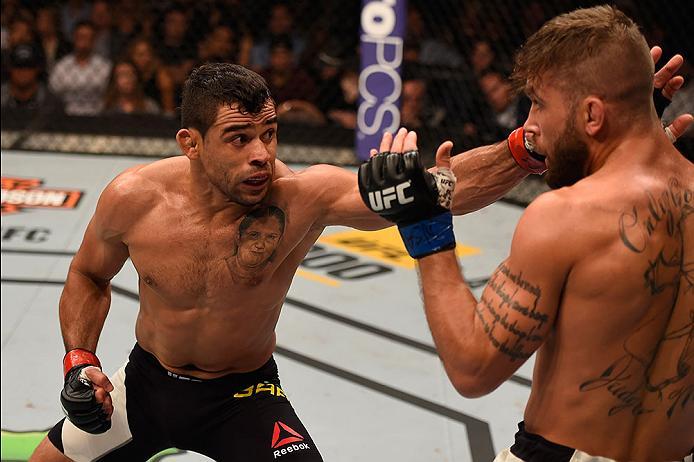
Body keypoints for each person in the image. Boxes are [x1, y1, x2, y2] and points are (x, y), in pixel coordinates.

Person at [29, 48, 689, 461]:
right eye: (237, 139)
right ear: (190, 142)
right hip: (145, 389)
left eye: (268, 134)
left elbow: (442, 192)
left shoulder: (304, 193)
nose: (261, 153)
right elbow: (88, 275)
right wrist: (80, 359)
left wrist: (525, 148)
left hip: (245, 395)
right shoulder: (133, 197)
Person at [358, 6, 693, 462]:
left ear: (593, 115)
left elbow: (472, 369)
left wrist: (424, 226)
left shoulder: (564, 218)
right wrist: (632, 126)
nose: (529, 123)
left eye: (539, 102)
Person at [49, 20, 111, 115]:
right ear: (74, 38)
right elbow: (53, 94)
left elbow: (109, 96)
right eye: (80, 37)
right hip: (65, 119)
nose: (84, 41)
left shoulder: (104, 67)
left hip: (97, 119)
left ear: (93, 40)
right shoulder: (61, 66)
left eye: (87, 37)